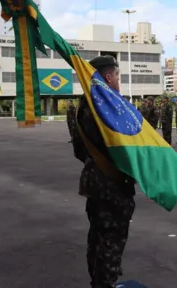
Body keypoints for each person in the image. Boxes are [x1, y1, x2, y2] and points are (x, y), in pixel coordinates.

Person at [71, 55, 135, 288]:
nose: (118, 80)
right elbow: (128, 145)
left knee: (98, 235)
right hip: (112, 182)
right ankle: (106, 283)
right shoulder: (109, 106)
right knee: (112, 238)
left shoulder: (82, 106)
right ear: (108, 77)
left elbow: (79, 150)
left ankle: (98, 281)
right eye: (117, 75)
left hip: (93, 180)